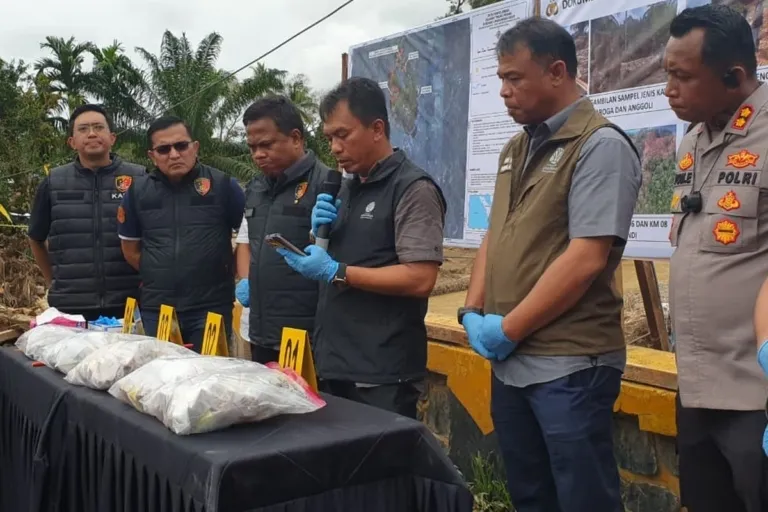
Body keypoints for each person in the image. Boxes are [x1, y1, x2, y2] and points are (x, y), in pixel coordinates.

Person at [461, 18, 641, 512]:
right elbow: (493, 236)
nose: (504, 92)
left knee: (582, 497)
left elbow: (586, 258)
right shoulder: (516, 148)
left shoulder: (599, 145)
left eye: (514, 78)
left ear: (557, 71)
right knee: (531, 494)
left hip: (569, 364)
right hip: (512, 362)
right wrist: (472, 310)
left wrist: (510, 328)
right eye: (500, 79)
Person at [277, 77, 447, 419]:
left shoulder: (412, 189)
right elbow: (340, 257)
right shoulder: (345, 187)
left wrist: (337, 271)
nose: (335, 148)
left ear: (377, 129)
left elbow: (420, 278)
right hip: (335, 361)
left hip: (382, 372)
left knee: (383, 470)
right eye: (329, 138)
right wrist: (317, 239)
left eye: (343, 135)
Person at [665, 6, 768, 511]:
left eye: (682, 76)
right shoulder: (694, 140)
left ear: (734, 76)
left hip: (756, 396)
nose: (668, 88)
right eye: (666, 73)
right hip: (696, 387)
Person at [118, 116, 245, 352]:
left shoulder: (223, 185)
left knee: (209, 378)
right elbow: (130, 249)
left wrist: (227, 268)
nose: (174, 154)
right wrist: (159, 272)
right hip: (159, 309)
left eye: (181, 146)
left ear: (195, 147)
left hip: (211, 307)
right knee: (162, 378)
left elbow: (248, 238)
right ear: (152, 156)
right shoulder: (137, 192)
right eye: (164, 149)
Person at [233, 96, 331, 364]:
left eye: (266, 145)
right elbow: (249, 243)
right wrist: (245, 280)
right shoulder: (256, 188)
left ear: (296, 138)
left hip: (307, 337)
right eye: (252, 147)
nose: (258, 155)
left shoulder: (327, 185)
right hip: (261, 332)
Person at [28, 104, 145, 321]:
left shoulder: (139, 179)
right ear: (72, 142)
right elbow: (36, 237)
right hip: (71, 307)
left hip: (130, 304)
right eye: (83, 129)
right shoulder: (54, 182)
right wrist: (53, 281)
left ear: (112, 138)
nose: (91, 133)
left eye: (98, 127)